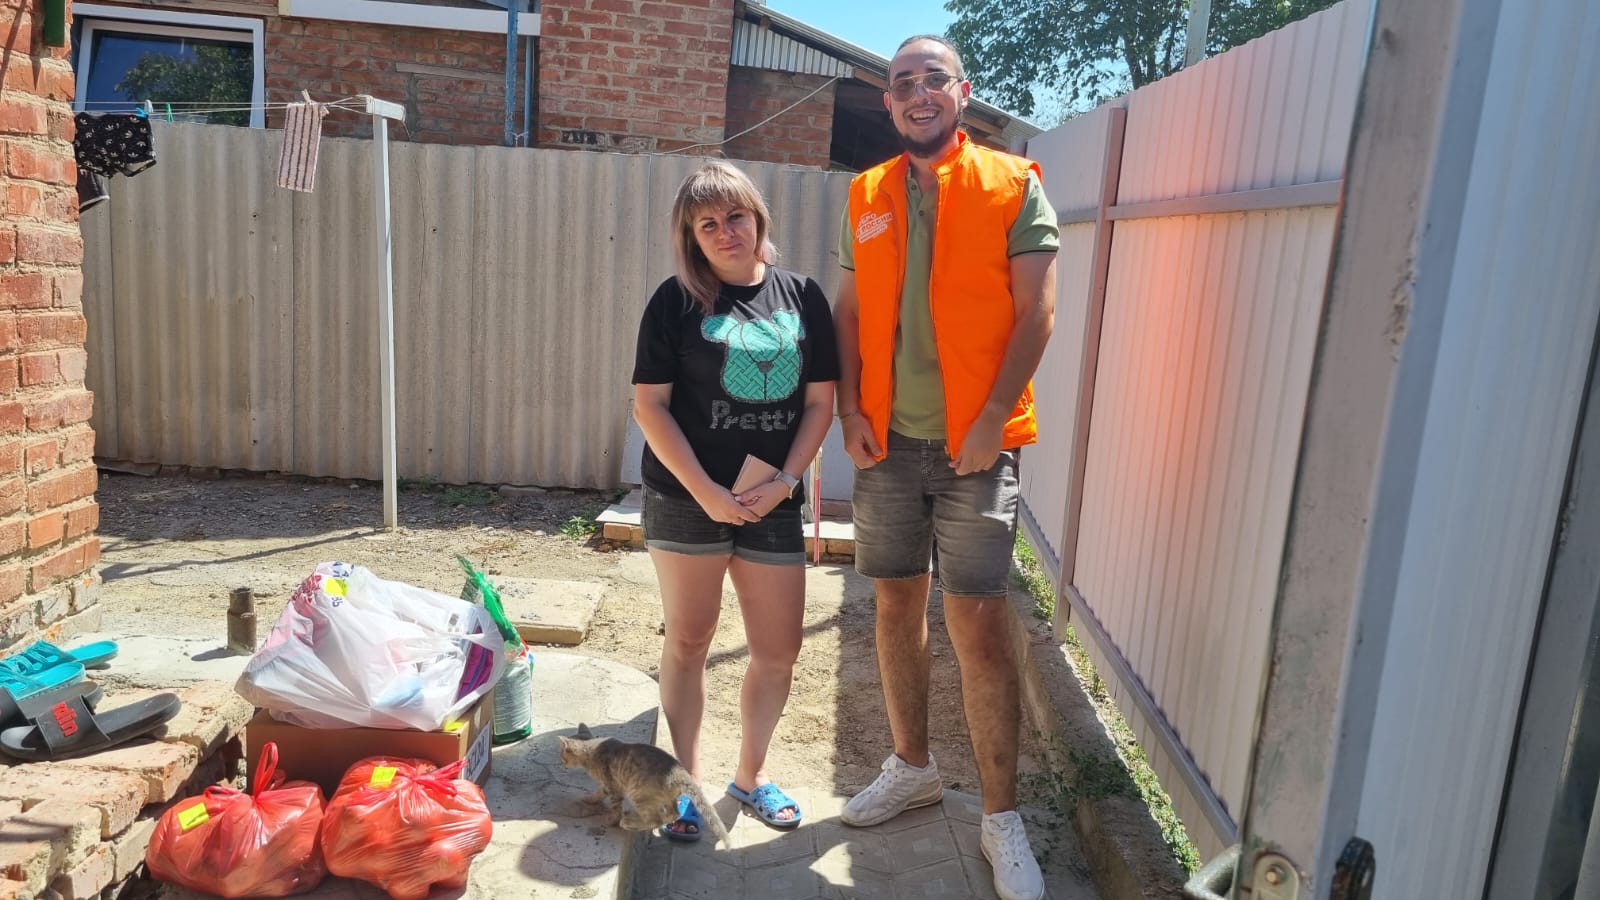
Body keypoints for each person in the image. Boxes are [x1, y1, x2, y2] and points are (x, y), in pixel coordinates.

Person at [832, 34, 1059, 900]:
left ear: (962, 92)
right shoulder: (867, 193)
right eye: (903, 83)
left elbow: (1038, 312)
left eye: (934, 79)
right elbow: (850, 314)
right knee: (894, 606)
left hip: (976, 447)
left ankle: (1001, 819)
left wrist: (993, 419)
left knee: (980, 625)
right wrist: (851, 411)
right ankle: (912, 767)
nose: (917, 92)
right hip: (887, 444)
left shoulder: (1013, 182)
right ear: (889, 102)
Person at [631, 161, 839, 841]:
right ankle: (685, 787)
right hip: (686, 497)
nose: (726, 231)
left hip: (772, 499)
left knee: (779, 650)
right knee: (690, 640)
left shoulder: (802, 296)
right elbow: (650, 407)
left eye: (736, 216)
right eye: (708, 223)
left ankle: (749, 779)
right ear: (691, 236)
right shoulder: (674, 302)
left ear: (758, 218)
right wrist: (708, 494)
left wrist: (785, 481)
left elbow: (821, 403)